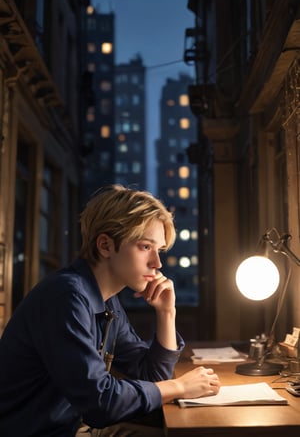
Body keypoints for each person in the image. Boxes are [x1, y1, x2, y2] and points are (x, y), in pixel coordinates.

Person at [0, 184, 220, 436]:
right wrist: (180, 387)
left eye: (158, 250)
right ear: (105, 246)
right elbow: (101, 403)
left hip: (73, 428)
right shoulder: (66, 296)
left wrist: (166, 313)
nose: (157, 263)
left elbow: (152, 376)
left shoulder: (106, 300)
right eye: (145, 247)